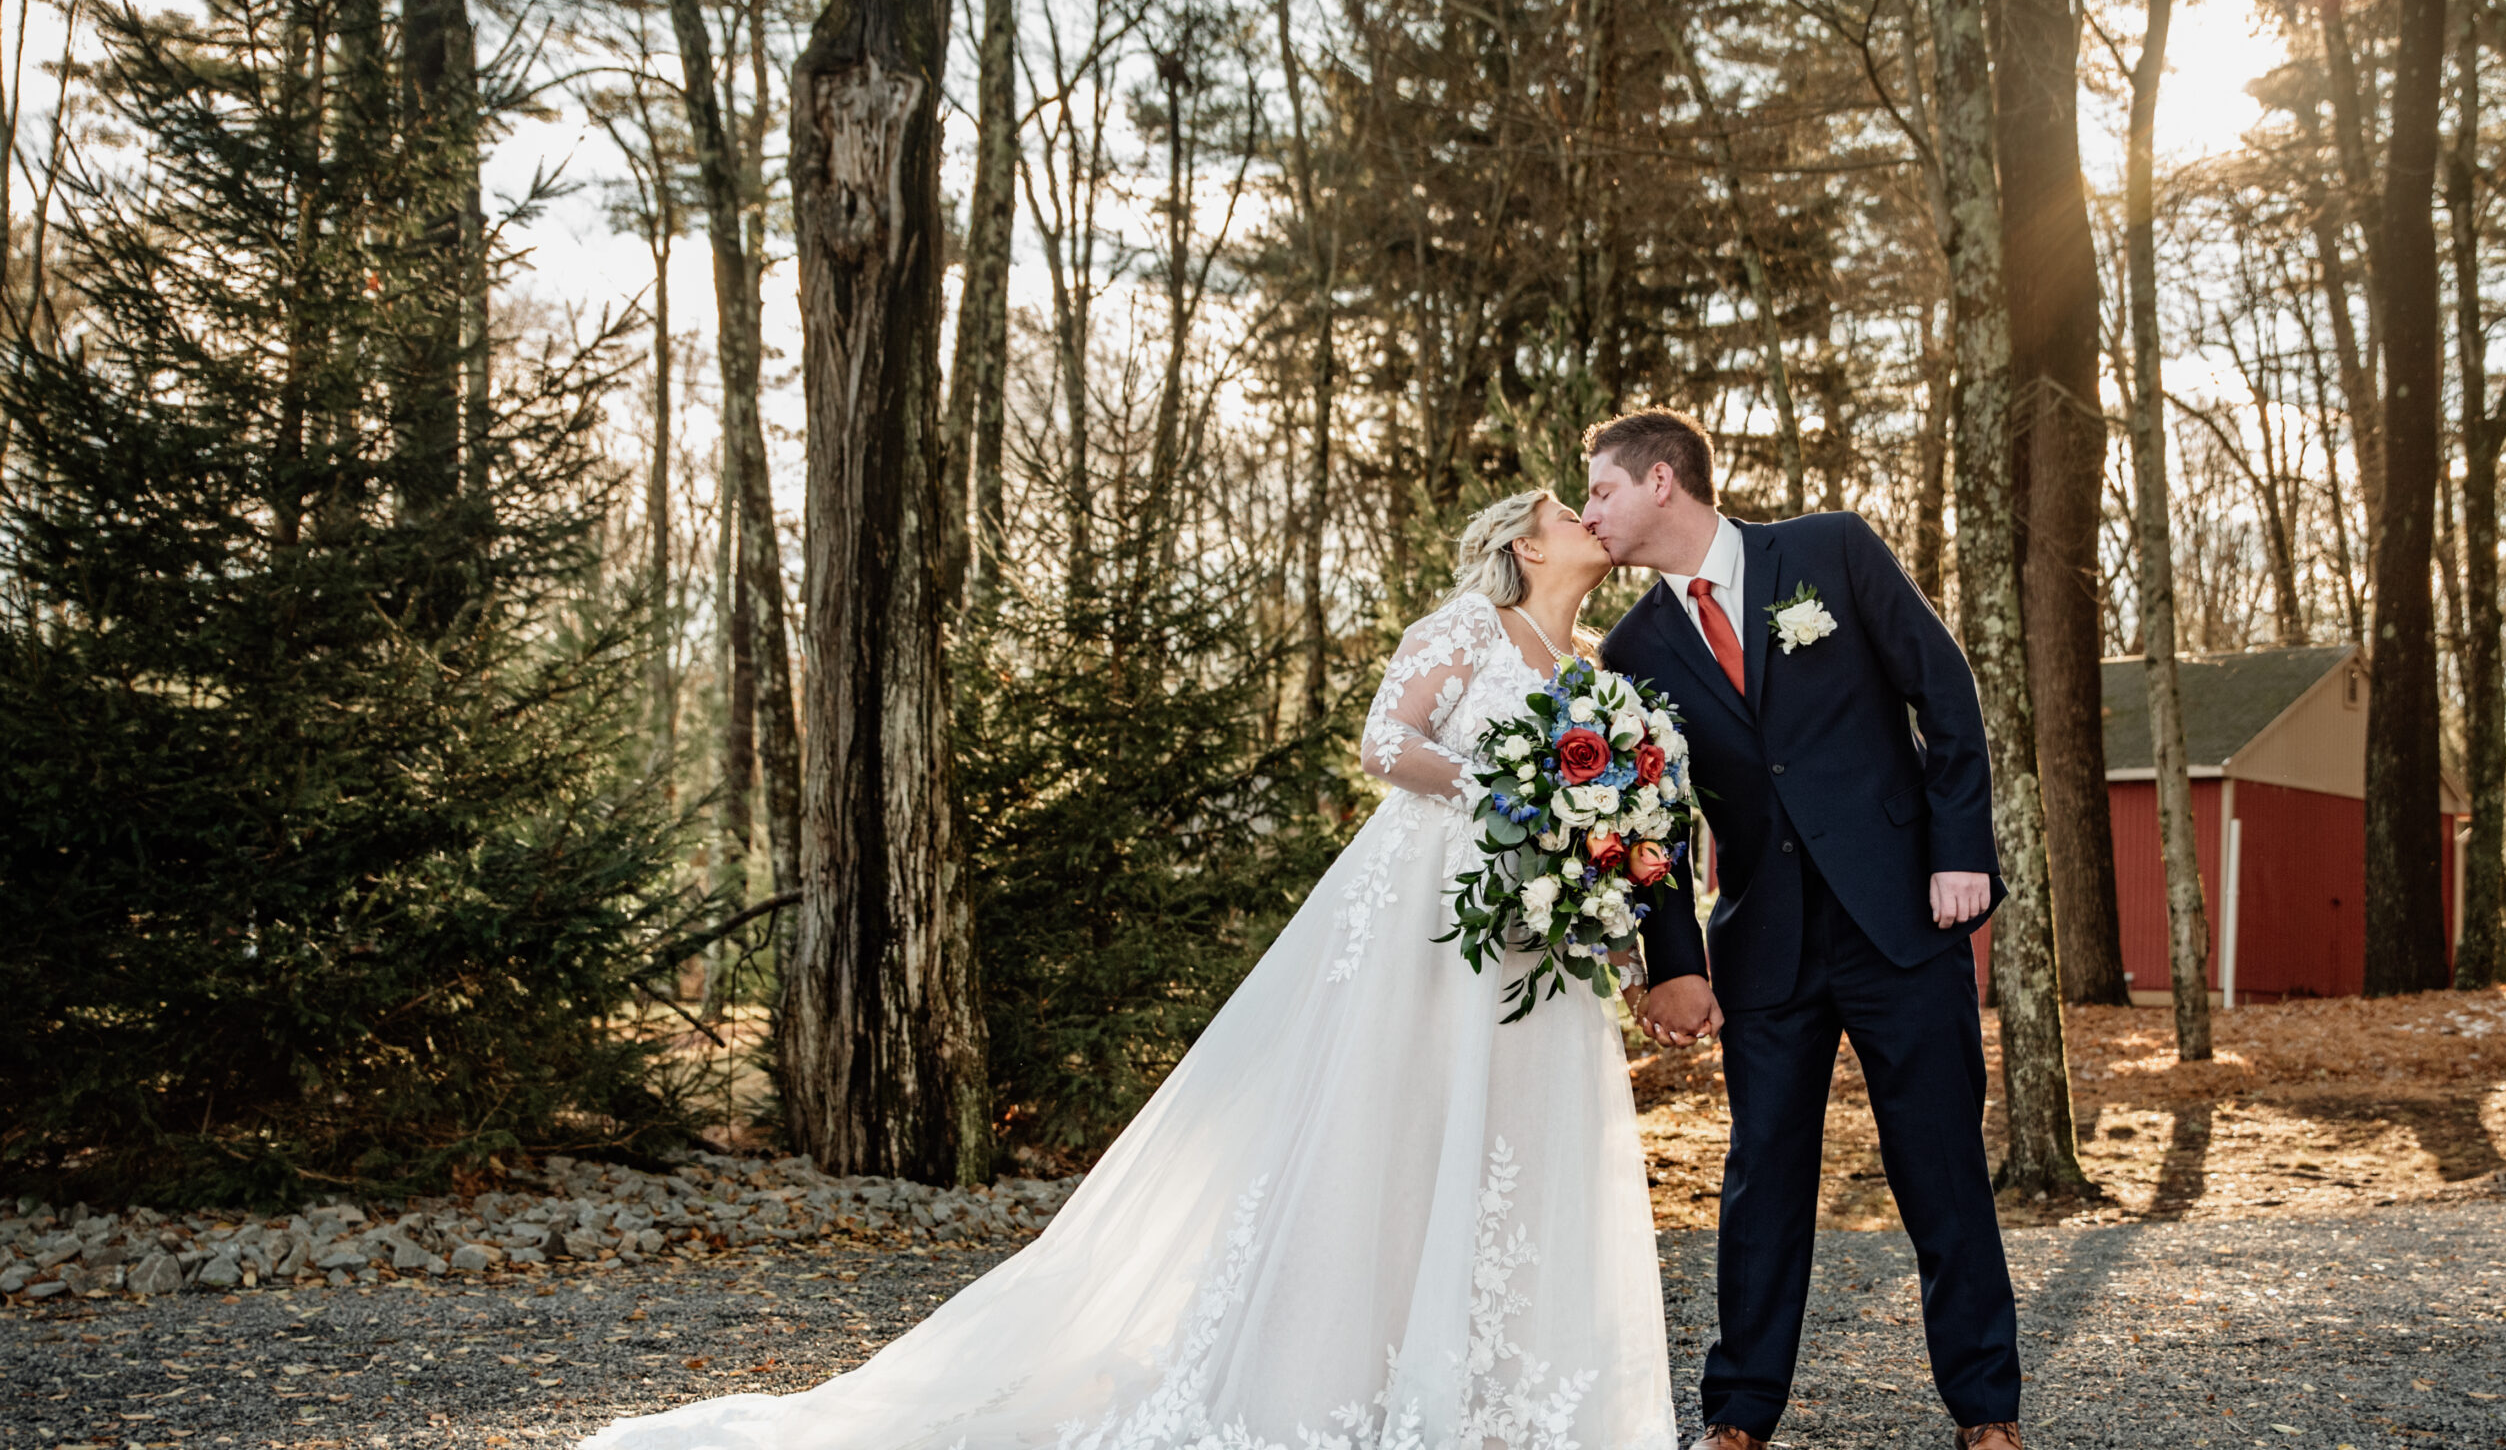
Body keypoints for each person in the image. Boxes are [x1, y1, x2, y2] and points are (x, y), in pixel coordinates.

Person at [579, 491, 1674, 1450]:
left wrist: (1613, 920)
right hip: (1421, 920)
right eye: (1565, 513)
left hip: (1524, 936)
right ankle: (1328, 1378)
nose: (1586, 521)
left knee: (1501, 1144)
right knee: (1384, 1133)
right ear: (1528, 549)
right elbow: (1385, 742)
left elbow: (1605, 829)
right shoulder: (1467, 626)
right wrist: (1504, 791)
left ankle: (1481, 1393)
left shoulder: (1587, 671)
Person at [1580, 408, 2025, 1450]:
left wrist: (1960, 851)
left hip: (1902, 921)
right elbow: (1651, 822)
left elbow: (1944, 692)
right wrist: (1673, 965)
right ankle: (1738, 1415)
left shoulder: (1827, 549)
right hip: (1766, 947)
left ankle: (1987, 1412)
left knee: (1940, 1167)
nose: (1590, 511)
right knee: (1761, 1176)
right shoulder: (1633, 644)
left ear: (1658, 480)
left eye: (1598, 488)